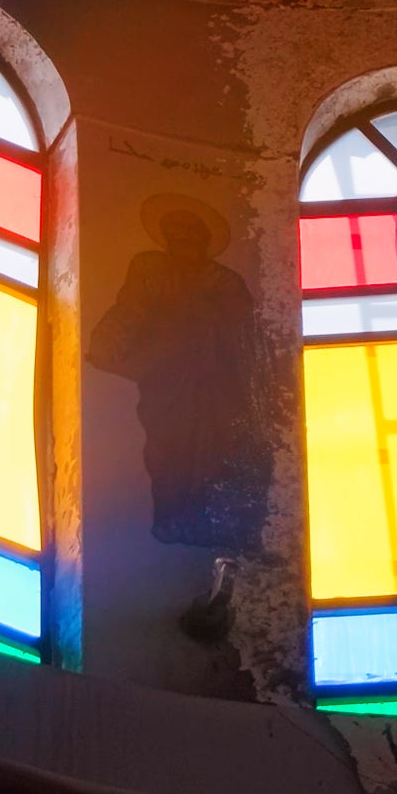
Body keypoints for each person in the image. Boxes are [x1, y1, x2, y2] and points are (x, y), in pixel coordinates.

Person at [84, 196, 271, 548]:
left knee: (215, 447)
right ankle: (171, 517)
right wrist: (105, 343)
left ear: (203, 238)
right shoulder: (149, 268)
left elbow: (246, 332)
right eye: (174, 231)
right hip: (164, 378)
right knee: (165, 448)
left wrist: (208, 322)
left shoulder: (224, 281)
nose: (181, 238)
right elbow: (128, 309)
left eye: (189, 232)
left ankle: (211, 521)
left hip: (214, 383)